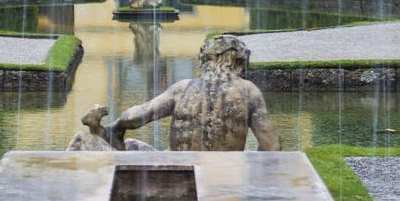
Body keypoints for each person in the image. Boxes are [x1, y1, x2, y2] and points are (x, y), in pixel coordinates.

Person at [104, 35, 279, 151]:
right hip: (226, 177)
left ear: (204, 60)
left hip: (181, 174)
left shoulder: (183, 88)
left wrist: (117, 127)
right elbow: (271, 145)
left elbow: (135, 116)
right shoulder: (248, 91)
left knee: (133, 146)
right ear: (240, 63)